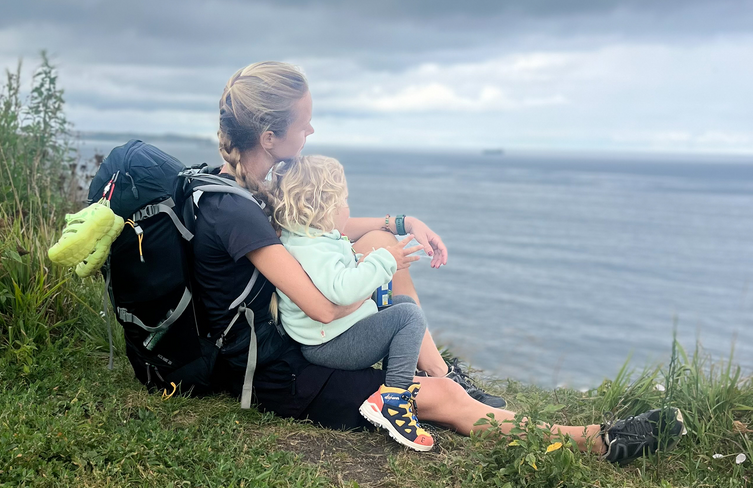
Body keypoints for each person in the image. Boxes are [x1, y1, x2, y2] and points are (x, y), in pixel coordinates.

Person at [190, 60, 685, 463]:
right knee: (445, 400)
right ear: (271, 136)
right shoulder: (237, 212)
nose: (312, 129)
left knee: (382, 241)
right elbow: (324, 309)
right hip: (287, 374)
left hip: (299, 339)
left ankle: (441, 373)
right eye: (304, 122)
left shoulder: (252, 187)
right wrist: (379, 291)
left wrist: (399, 223)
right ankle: (599, 439)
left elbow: (320, 232)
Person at [268, 154, 436, 451]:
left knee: (401, 305)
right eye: (343, 201)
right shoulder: (314, 246)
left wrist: (361, 262)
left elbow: (334, 276)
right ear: (323, 207)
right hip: (330, 345)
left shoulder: (310, 238)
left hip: (333, 336)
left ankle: (396, 381)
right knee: (409, 317)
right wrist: (385, 260)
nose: (348, 208)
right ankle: (393, 400)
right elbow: (342, 291)